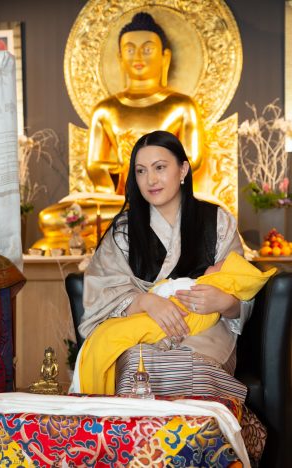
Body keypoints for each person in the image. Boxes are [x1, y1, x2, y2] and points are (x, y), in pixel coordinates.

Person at [70, 130, 275, 401]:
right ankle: (136, 442)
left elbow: (242, 288)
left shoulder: (217, 221)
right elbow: (101, 294)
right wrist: (145, 303)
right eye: (141, 171)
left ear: (183, 170)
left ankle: (200, 441)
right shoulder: (122, 231)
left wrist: (223, 302)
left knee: (194, 369)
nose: (150, 180)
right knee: (138, 368)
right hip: (140, 329)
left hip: (204, 330)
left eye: (160, 168)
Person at [86, 12, 203, 194]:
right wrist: (122, 169)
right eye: (130, 50)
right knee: (51, 218)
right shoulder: (104, 110)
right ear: (120, 58)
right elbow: (94, 163)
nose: (138, 57)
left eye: (148, 49)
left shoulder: (182, 106)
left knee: (200, 213)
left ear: (165, 57)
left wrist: (155, 171)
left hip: (165, 195)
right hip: (119, 198)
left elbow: (192, 159)